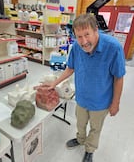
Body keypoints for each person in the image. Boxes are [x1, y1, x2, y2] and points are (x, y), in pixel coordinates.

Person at [46, 13, 126, 162]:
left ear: (96, 30)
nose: (83, 41)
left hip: (101, 102)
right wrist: (54, 83)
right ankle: (80, 139)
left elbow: (118, 78)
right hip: (81, 98)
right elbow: (70, 68)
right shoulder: (76, 47)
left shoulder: (113, 48)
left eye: (87, 34)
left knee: (95, 128)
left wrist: (116, 103)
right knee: (80, 123)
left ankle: (90, 149)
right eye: (79, 36)